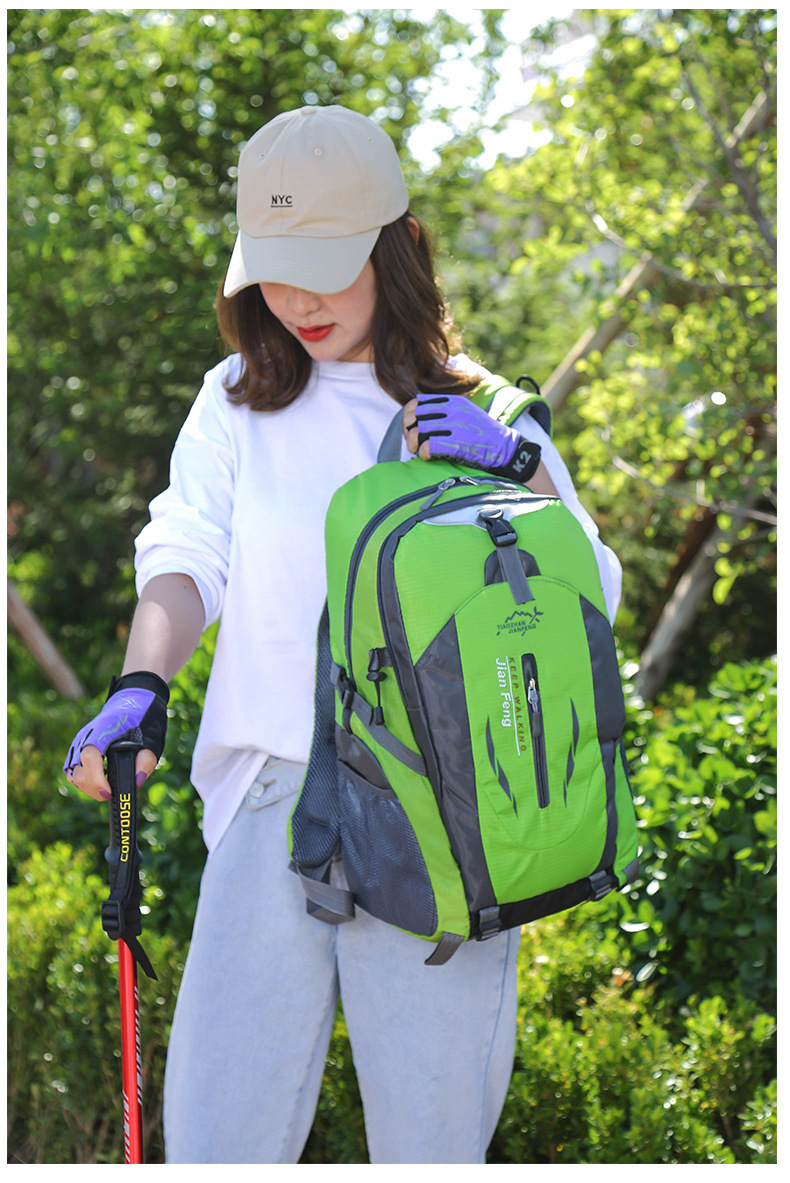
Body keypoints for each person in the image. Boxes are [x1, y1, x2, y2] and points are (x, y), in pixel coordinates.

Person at [64, 104, 622, 1164]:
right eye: (275, 273)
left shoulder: (485, 412)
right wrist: (141, 685)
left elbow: (594, 593)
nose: (299, 302)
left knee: (429, 1147)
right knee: (216, 1142)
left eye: (325, 268)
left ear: (397, 246)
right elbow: (187, 552)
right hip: (272, 798)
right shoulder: (237, 399)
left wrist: (518, 470)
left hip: (445, 818)